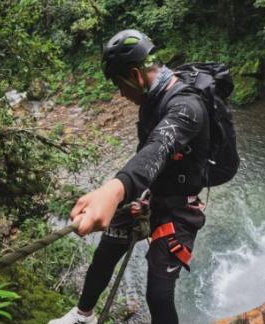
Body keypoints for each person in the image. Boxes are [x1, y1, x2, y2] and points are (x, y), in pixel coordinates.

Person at [49, 29, 210, 324]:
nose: (120, 95)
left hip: (179, 208)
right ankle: (83, 315)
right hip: (151, 196)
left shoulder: (186, 107)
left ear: (136, 75)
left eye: (119, 85)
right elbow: (147, 155)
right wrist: (133, 196)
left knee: (158, 295)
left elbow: (159, 148)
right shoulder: (153, 102)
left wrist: (114, 191)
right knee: (107, 249)